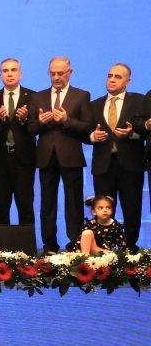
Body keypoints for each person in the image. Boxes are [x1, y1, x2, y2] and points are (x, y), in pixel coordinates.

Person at [27, 56, 92, 253]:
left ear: (70, 73)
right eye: (52, 73)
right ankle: (49, 245)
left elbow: (87, 126)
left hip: (71, 156)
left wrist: (66, 120)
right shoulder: (37, 97)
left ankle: (75, 244)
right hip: (46, 157)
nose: (56, 77)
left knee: (73, 203)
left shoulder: (81, 95)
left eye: (60, 73)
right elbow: (31, 129)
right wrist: (41, 122)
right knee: (47, 204)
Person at [88, 63, 147, 250]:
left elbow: (146, 130)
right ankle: (104, 251)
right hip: (103, 165)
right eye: (110, 75)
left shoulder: (139, 101)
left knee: (132, 208)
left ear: (127, 82)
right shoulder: (94, 105)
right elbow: (84, 132)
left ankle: (129, 249)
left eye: (118, 77)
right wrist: (92, 136)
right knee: (103, 209)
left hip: (131, 164)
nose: (112, 80)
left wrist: (132, 133)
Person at [0, 58, 36, 227]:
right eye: (5, 71)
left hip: (24, 159)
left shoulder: (33, 96)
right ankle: (2, 243)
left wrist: (25, 119)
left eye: (13, 70)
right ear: (0, 76)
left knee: (25, 204)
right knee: (1, 205)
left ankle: (27, 243)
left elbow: (36, 126)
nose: (9, 74)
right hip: (0, 159)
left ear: (20, 74)